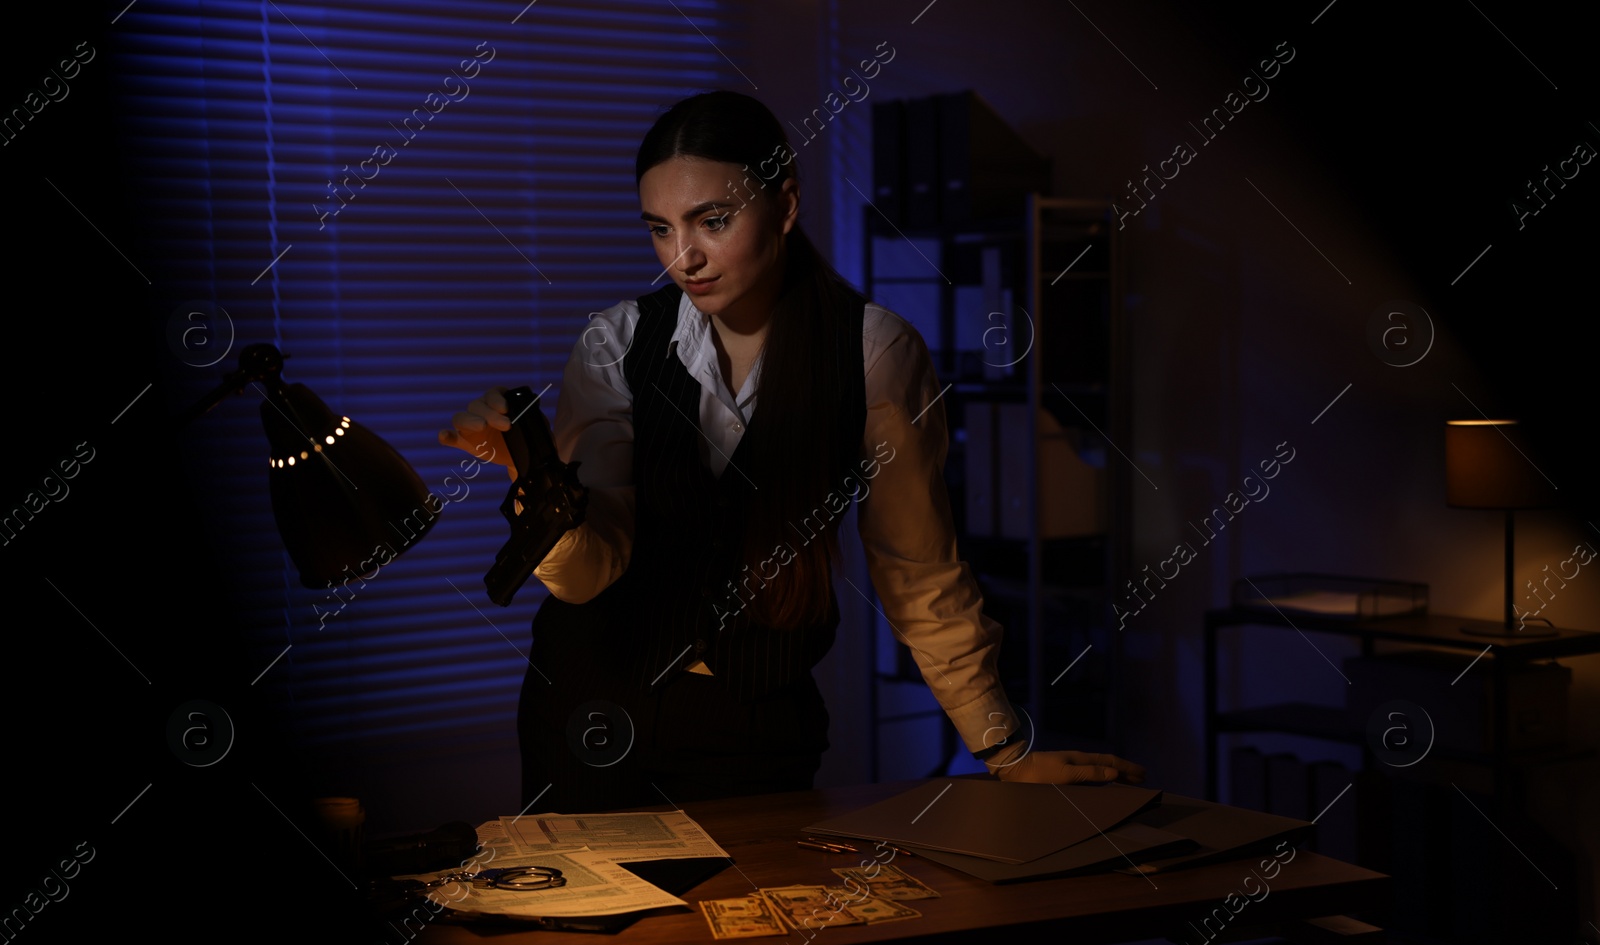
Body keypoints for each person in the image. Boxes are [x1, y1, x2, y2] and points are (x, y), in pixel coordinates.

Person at [441, 90, 1145, 817]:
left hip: (754, 731)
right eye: (660, 229)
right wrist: (535, 480)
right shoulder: (613, 345)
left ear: (784, 204)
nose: (683, 257)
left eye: (713, 221)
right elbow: (590, 573)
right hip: (586, 713)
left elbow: (918, 572)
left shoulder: (875, 353)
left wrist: (1004, 749)